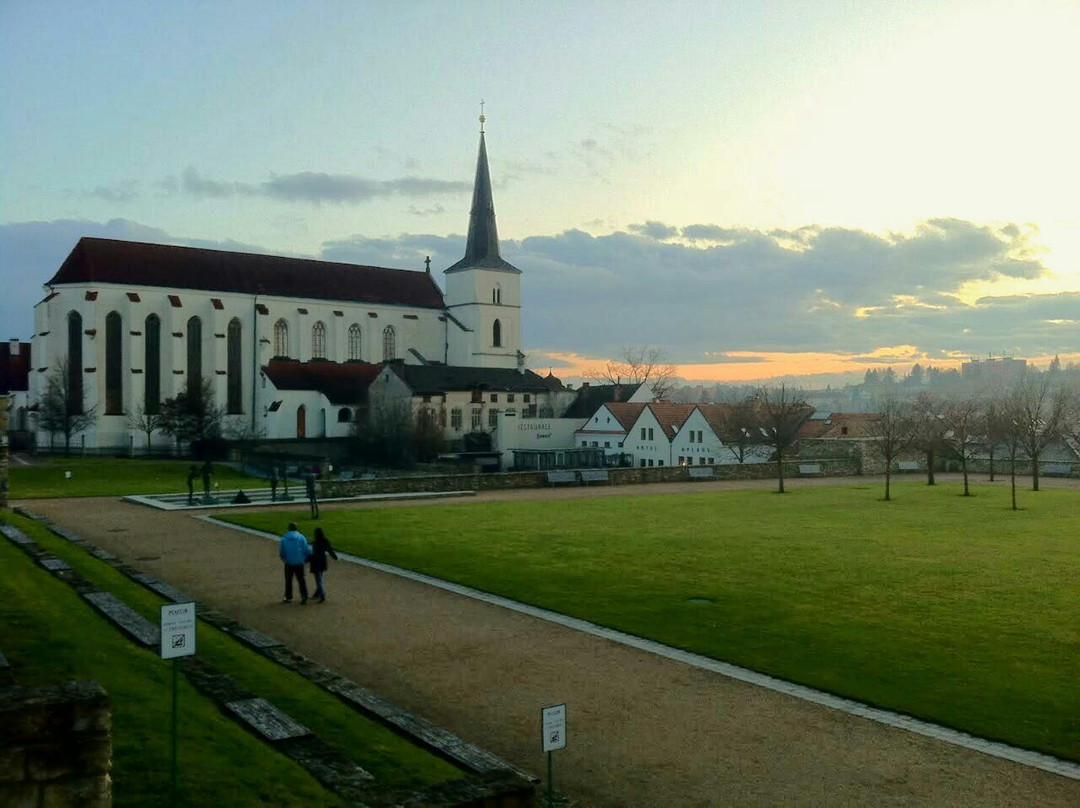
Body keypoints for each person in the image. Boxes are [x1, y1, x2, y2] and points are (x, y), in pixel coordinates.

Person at [278, 521, 312, 604]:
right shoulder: (301, 537)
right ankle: (304, 596)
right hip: (299, 562)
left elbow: (282, 552)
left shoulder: (284, 538)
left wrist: (285, 559)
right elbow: (306, 550)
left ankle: (288, 597)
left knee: (288, 580)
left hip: (289, 562)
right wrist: (304, 559)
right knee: (301, 580)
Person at [309, 527, 339, 603]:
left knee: (318, 579)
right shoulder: (325, 541)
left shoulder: (315, 543)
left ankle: (322, 594)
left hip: (316, 562)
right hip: (322, 561)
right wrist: (335, 557)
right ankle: (318, 593)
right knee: (320, 577)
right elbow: (330, 550)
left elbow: (313, 553)